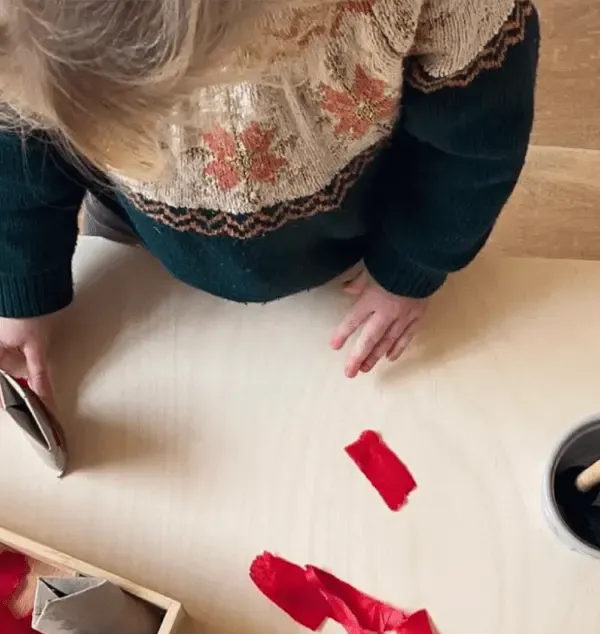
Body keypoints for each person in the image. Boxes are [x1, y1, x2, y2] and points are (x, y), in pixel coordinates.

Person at [0, 0, 539, 399]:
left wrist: (412, 262)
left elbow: (476, 145)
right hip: (133, 225)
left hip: (353, 237)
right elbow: (15, 157)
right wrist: (20, 285)